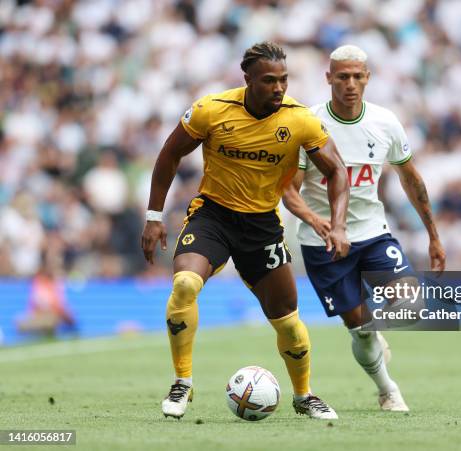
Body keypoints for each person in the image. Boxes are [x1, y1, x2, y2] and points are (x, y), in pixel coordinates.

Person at [141, 42, 350, 420]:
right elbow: (169, 154)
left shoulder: (299, 119)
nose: (279, 88)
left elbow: (337, 171)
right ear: (248, 80)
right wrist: (154, 216)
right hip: (213, 217)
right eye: (269, 81)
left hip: (262, 225)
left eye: (283, 80)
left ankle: (303, 396)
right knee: (185, 284)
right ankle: (182, 382)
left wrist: (337, 226)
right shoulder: (211, 110)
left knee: (288, 321)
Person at [282, 45, 446, 412]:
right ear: (329, 78)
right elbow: (288, 190)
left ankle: (373, 329)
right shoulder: (308, 124)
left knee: (411, 304)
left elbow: (411, 179)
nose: (350, 84)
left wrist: (434, 236)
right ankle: (387, 388)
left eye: (357, 76)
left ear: (368, 78)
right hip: (322, 242)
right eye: (342, 77)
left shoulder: (385, 122)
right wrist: (317, 221)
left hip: (372, 232)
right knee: (359, 326)